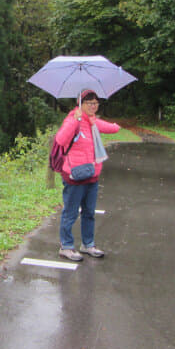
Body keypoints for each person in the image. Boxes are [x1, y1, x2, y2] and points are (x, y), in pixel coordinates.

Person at [55, 89, 120, 261]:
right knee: (70, 212)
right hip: (75, 175)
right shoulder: (73, 120)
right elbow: (60, 140)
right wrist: (75, 119)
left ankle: (88, 244)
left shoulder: (92, 122)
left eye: (96, 103)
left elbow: (111, 129)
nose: (93, 106)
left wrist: (117, 126)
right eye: (89, 103)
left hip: (92, 174)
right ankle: (66, 247)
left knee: (89, 212)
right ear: (80, 104)